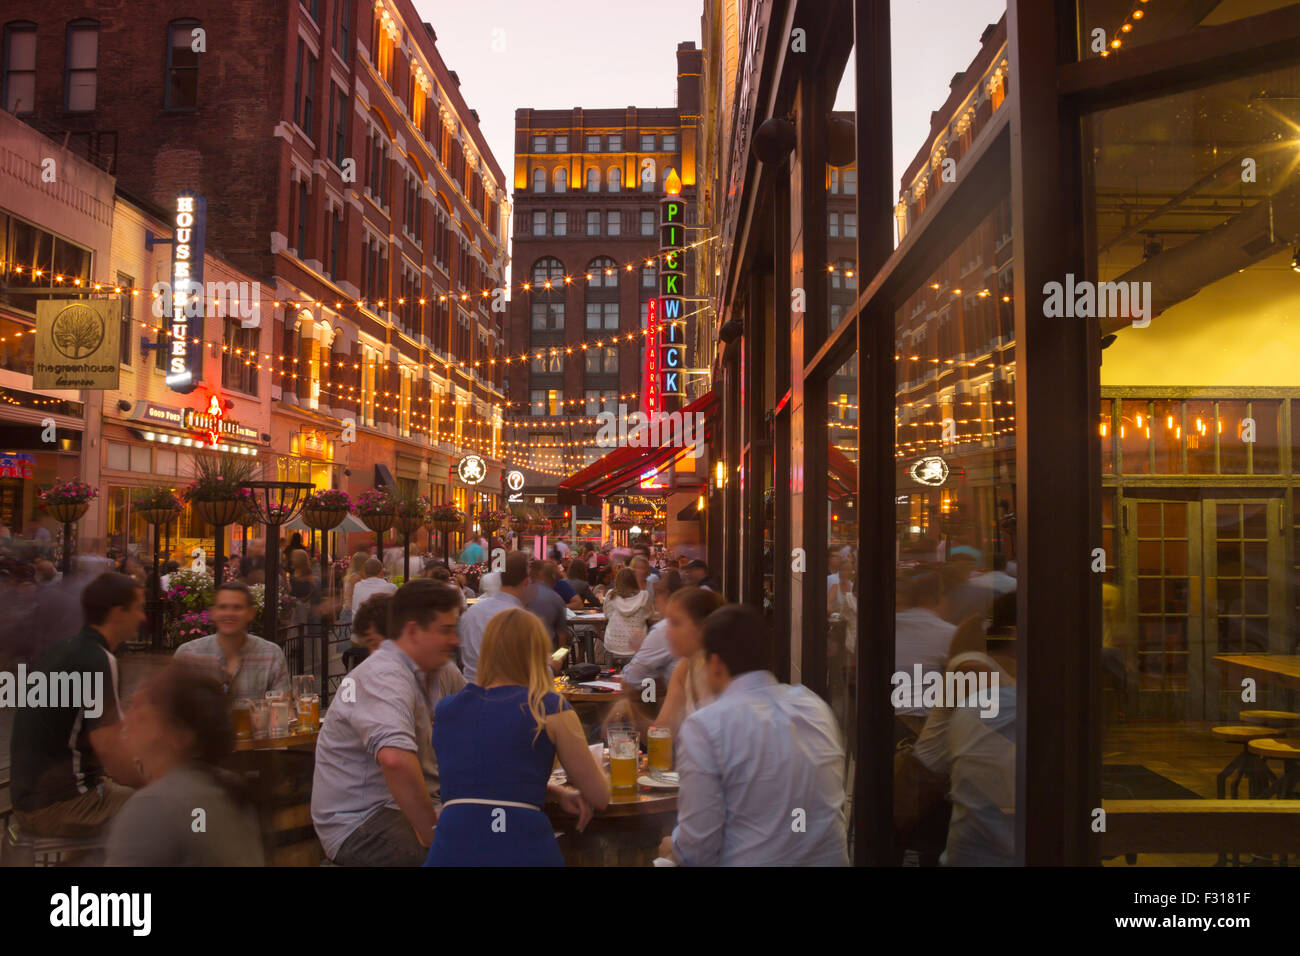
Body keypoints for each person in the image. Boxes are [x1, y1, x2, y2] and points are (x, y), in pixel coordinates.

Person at [658, 604, 849, 866]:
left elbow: (698, 849)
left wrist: (674, 846)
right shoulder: (814, 706)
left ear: (714, 664)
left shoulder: (706, 726)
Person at [425, 608, 610, 866]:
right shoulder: (548, 707)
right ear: (536, 653)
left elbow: (480, 782)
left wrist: (553, 792)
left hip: (452, 849)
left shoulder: (447, 710)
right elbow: (600, 797)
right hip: (521, 847)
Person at [312, 579, 466, 866]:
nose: (454, 640)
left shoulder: (439, 670)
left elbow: (476, 722)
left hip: (405, 808)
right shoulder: (384, 674)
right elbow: (395, 760)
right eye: (445, 630)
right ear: (412, 631)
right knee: (471, 853)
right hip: (360, 822)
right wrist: (433, 832)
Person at [9, 572, 146, 838]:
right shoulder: (97, 659)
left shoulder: (65, 649)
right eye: (138, 608)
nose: (143, 617)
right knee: (167, 809)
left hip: (29, 801)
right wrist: (149, 785)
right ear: (118, 612)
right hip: (61, 806)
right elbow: (109, 747)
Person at [106, 661, 264, 865]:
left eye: (140, 708)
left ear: (180, 735)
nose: (127, 718)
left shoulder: (152, 807)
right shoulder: (228, 788)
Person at [174, 582, 291, 698]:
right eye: (223, 607)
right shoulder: (188, 654)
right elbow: (169, 709)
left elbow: (284, 710)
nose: (229, 614)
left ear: (251, 613)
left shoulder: (271, 654)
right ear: (213, 613)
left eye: (237, 607)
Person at [650, 587, 726, 734]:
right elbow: (662, 733)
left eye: (675, 623)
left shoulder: (724, 671)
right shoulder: (685, 667)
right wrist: (632, 715)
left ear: (702, 627)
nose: (667, 631)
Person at [895, 571, 958, 727]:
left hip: (888, 716)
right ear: (936, 597)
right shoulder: (948, 632)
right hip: (926, 720)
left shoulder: (889, 624)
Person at [457, 551, 530, 682]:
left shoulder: (473, 611)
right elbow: (526, 669)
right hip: (507, 694)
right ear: (526, 583)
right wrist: (551, 667)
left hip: (471, 688)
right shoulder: (521, 619)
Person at [621, 576, 685, 691]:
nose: (656, 606)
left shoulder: (665, 628)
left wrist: (640, 650)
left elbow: (632, 679)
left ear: (667, 597)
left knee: (638, 700)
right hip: (693, 700)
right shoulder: (694, 623)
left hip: (683, 704)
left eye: (656, 599)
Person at [601, 568, 654, 664]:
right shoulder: (644, 596)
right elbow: (649, 615)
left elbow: (607, 615)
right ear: (634, 580)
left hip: (613, 645)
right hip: (636, 647)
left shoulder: (610, 595)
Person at [527, 560, 570, 650]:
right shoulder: (556, 598)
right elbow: (562, 635)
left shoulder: (522, 593)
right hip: (546, 650)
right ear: (553, 578)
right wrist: (558, 659)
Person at [340, 551, 369, 619]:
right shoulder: (356, 578)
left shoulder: (352, 576)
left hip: (347, 611)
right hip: (350, 613)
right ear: (363, 564)